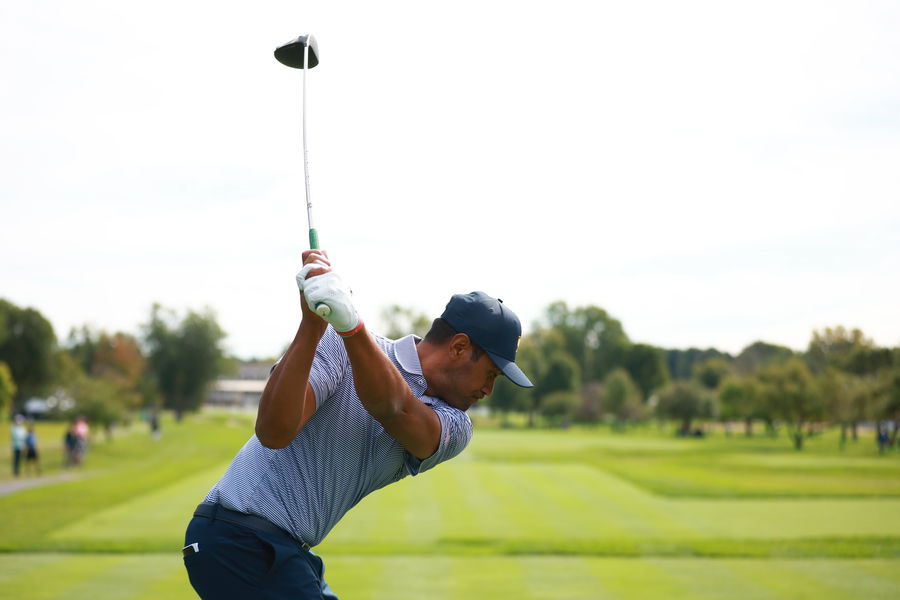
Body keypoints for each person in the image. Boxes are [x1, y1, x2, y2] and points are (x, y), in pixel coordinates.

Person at [183, 250, 533, 599]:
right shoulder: (337, 345)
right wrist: (312, 325)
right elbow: (274, 432)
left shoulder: (455, 425)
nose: (488, 390)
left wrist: (351, 326)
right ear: (458, 347)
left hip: (282, 551)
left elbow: (394, 409)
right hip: (240, 541)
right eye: (490, 374)